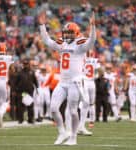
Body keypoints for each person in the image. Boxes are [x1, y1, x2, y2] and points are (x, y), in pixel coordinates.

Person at [38, 11, 96, 145]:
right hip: (62, 82)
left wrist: (93, 27)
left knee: (73, 111)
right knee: (53, 109)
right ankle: (62, 132)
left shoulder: (80, 45)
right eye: (66, 32)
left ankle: (73, 137)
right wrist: (42, 25)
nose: (67, 35)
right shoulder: (62, 44)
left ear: (76, 33)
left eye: (70, 33)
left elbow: (92, 41)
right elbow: (47, 41)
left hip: (75, 82)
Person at [78, 50, 100, 134]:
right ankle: (91, 121)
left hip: (84, 82)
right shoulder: (94, 60)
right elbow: (100, 71)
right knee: (91, 103)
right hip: (92, 82)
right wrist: (96, 75)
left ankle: (81, 124)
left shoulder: (81, 60)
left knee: (83, 102)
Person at [15, 58, 39, 124]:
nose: (25, 65)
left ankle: (30, 119)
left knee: (30, 105)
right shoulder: (20, 73)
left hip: (29, 91)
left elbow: (35, 82)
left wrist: (37, 89)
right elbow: (15, 83)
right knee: (21, 106)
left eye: (27, 64)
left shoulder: (32, 72)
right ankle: (20, 119)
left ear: (28, 65)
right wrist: (16, 90)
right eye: (24, 64)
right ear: (23, 65)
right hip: (22, 92)